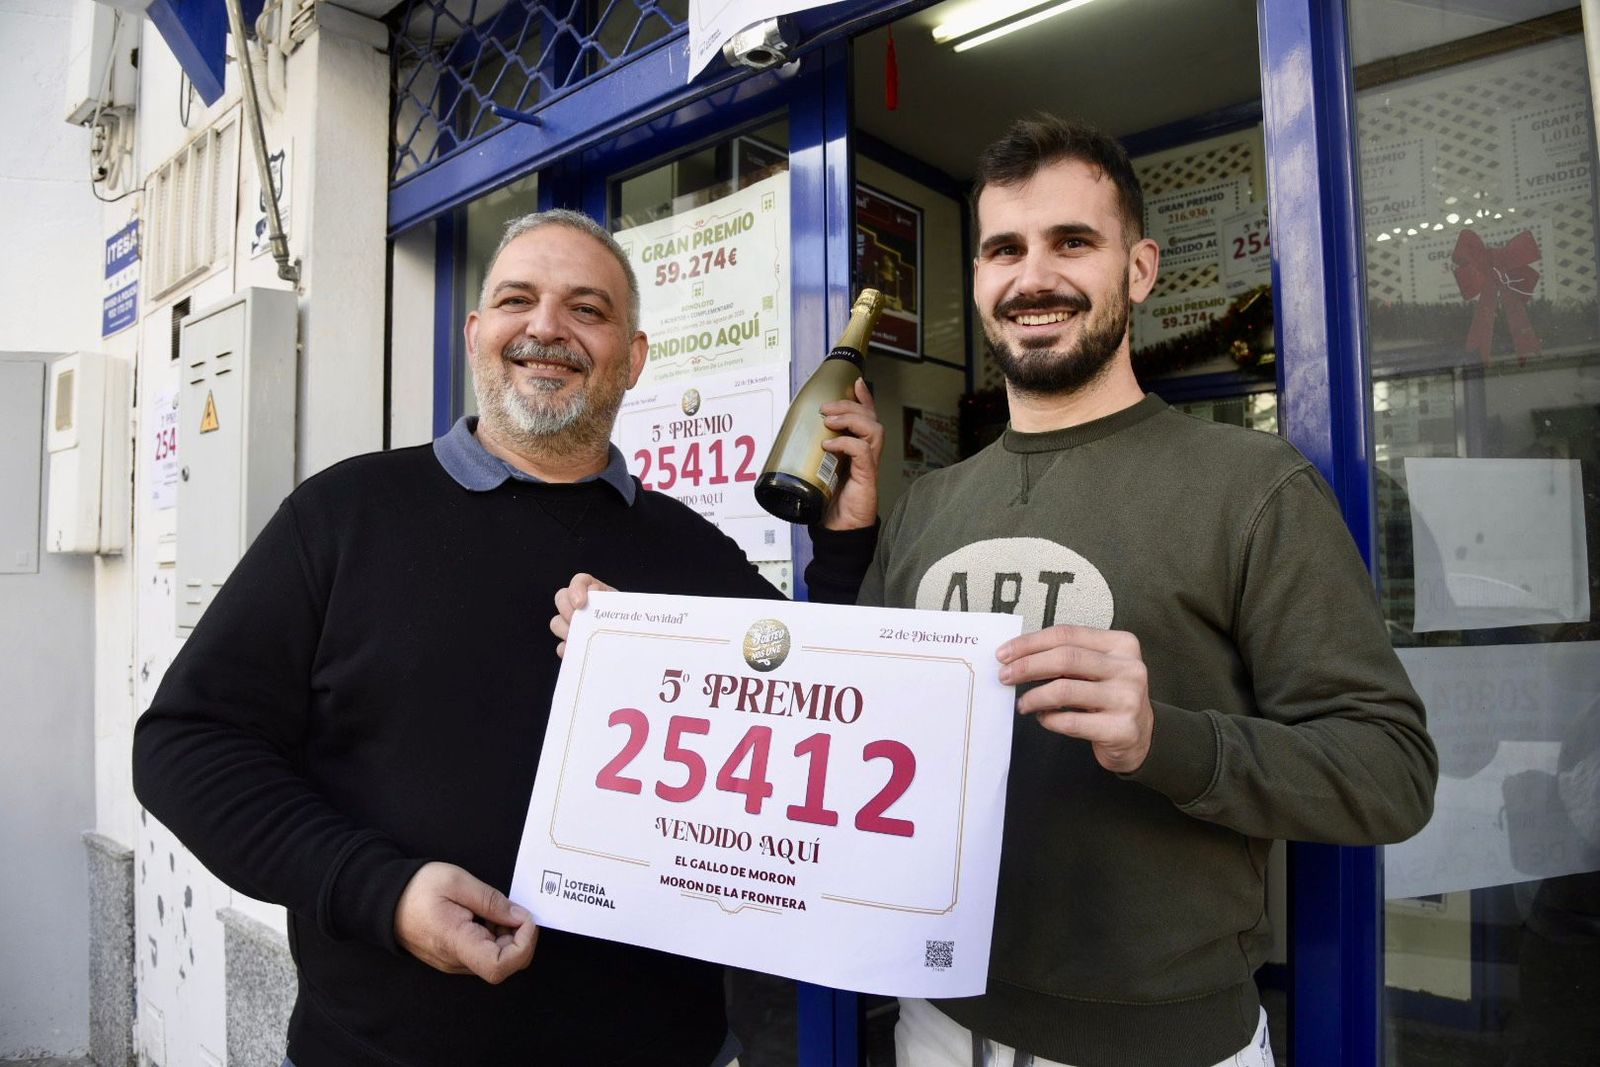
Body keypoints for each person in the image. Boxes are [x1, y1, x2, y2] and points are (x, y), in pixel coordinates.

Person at [131, 208, 883, 1067]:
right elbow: (186, 744)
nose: (547, 327)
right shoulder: (344, 515)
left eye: (587, 309)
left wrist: (846, 543)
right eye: (518, 299)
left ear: (633, 359)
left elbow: (826, 726)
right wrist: (383, 891)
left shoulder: (692, 553)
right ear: (477, 332)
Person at [863, 116, 1437, 1066]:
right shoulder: (927, 503)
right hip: (935, 1017)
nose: (1032, 276)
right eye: (1004, 248)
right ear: (977, 280)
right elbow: (853, 727)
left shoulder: (1254, 489)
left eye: (1073, 242)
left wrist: (1162, 738)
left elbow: (1391, 772)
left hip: (1164, 1044)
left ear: (1138, 269)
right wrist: (628, 649)